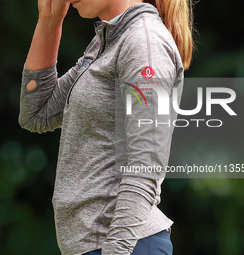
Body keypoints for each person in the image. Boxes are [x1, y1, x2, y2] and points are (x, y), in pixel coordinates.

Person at [19, 0, 194, 254]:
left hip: (123, 246)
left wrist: (117, 250)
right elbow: (37, 112)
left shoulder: (144, 44)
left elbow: (146, 168)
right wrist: (50, 21)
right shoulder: (108, 40)